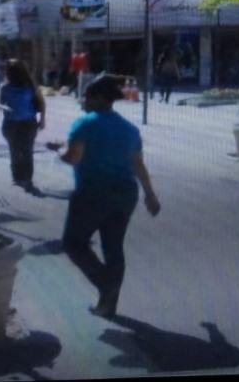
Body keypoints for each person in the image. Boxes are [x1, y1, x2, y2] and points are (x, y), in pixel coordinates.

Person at [47, 73, 160, 319]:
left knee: (74, 243)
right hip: (126, 192)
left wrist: (58, 151)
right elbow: (138, 164)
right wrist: (150, 195)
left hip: (93, 192)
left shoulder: (84, 124)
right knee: (113, 246)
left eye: (87, 96)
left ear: (99, 98)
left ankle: (105, 284)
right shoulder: (129, 128)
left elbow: (73, 158)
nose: (83, 100)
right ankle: (108, 304)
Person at [0, 58, 46, 191]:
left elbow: (41, 103)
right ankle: (21, 178)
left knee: (21, 150)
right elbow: (2, 105)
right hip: (18, 123)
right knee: (21, 150)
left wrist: (42, 119)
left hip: (22, 123)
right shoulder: (9, 87)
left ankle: (23, 178)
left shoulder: (28, 86)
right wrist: (42, 120)